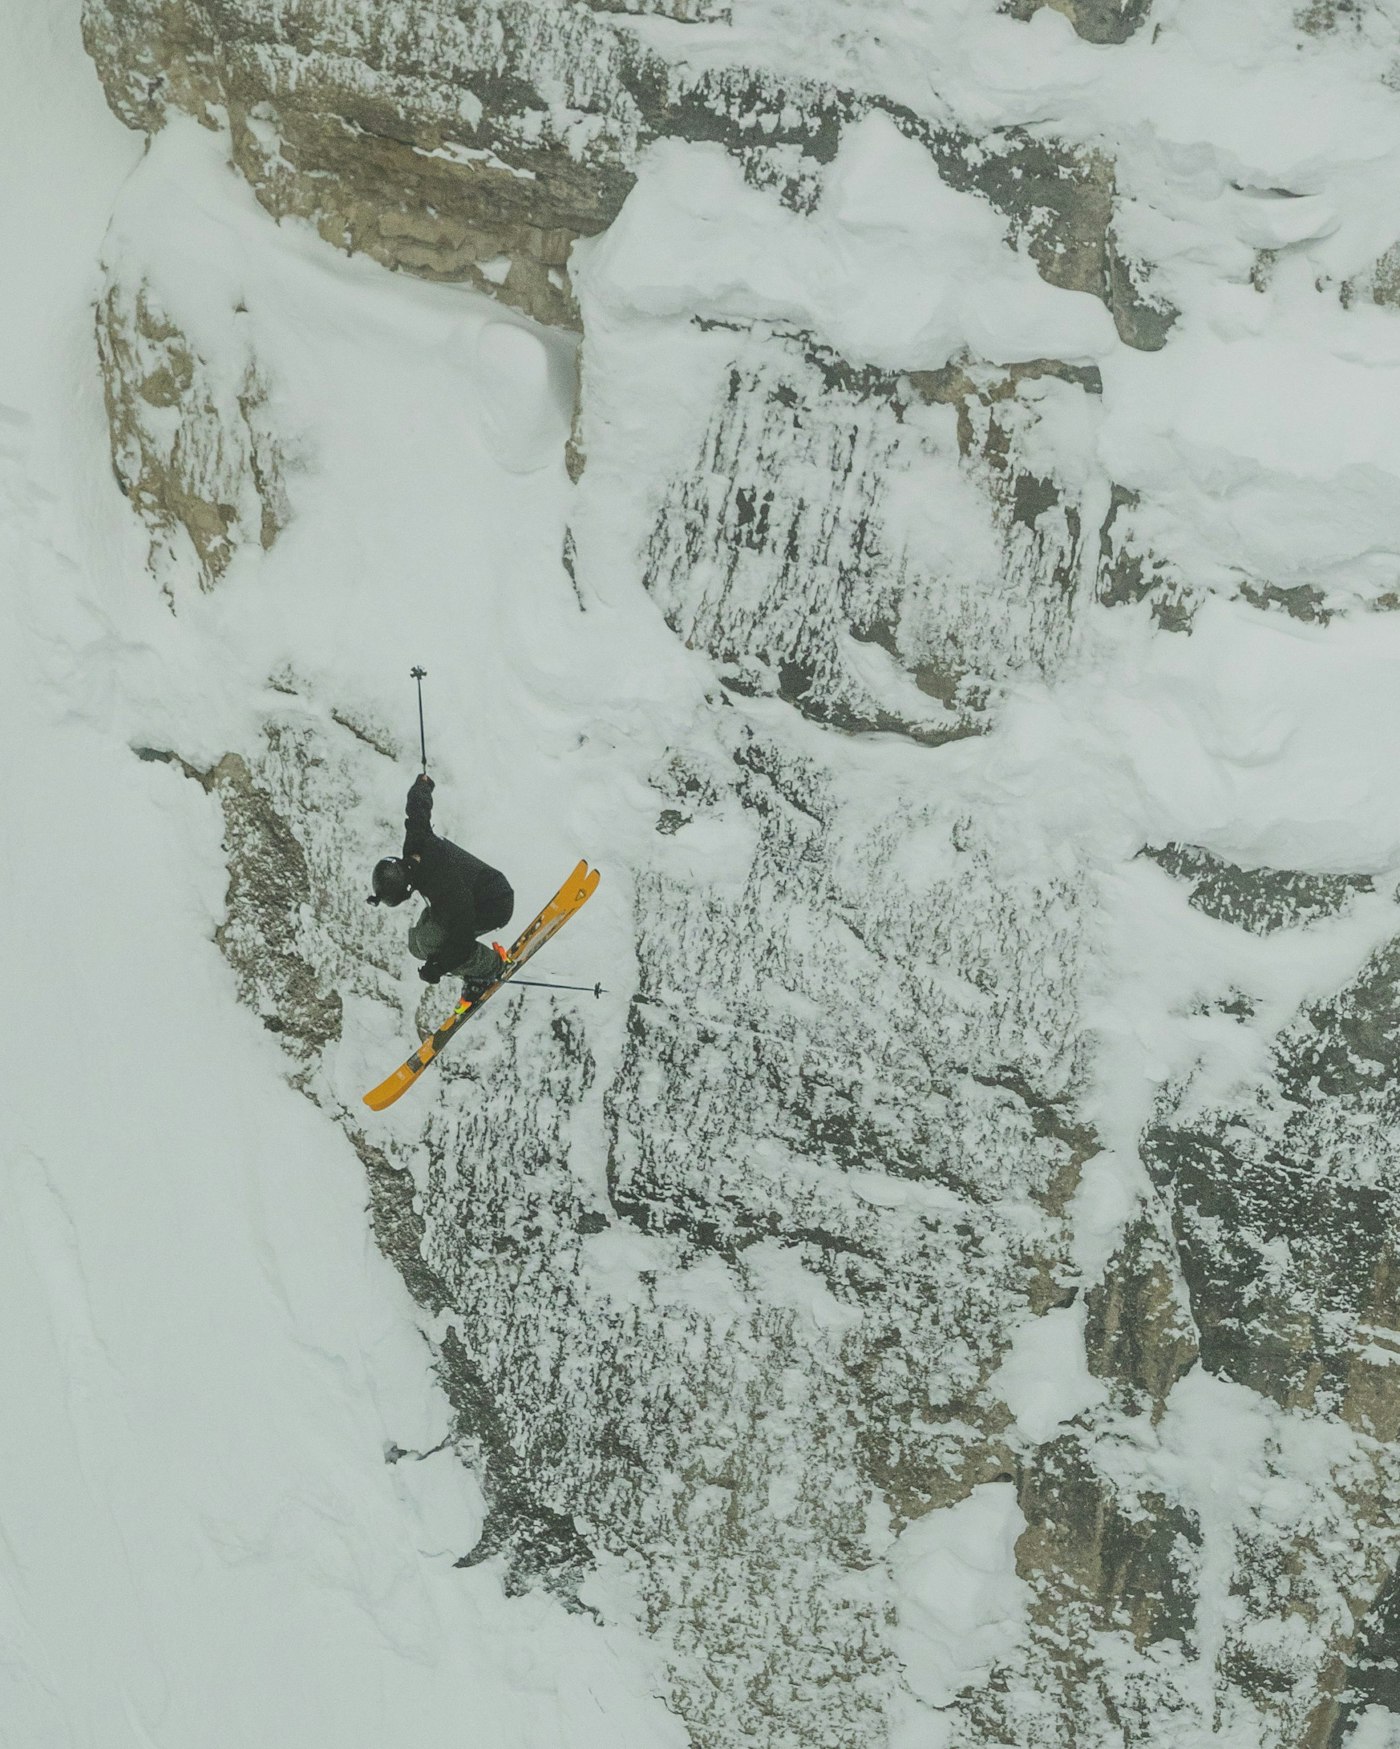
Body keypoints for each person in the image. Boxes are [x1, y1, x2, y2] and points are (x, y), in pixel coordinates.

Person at [369, 774, 514, 1000]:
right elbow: (417, 810)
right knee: (417, 944)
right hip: (474, 895)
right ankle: (471, 967)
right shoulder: (415, 847)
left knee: (429, 942)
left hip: (494, 903)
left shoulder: (445, 890)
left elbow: (462, 937)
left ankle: (491, 967)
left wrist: (439, 966)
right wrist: (422, 786)